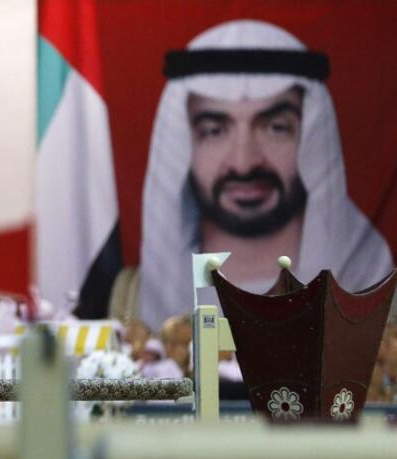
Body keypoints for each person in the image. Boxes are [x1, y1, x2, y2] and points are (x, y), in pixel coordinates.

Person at [128, 20, 394, 331]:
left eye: (275, 128)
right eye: (214, 131)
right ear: (185, 146)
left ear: (311, 140)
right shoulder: (133, 296)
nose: (244, 163)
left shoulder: (373, 282)